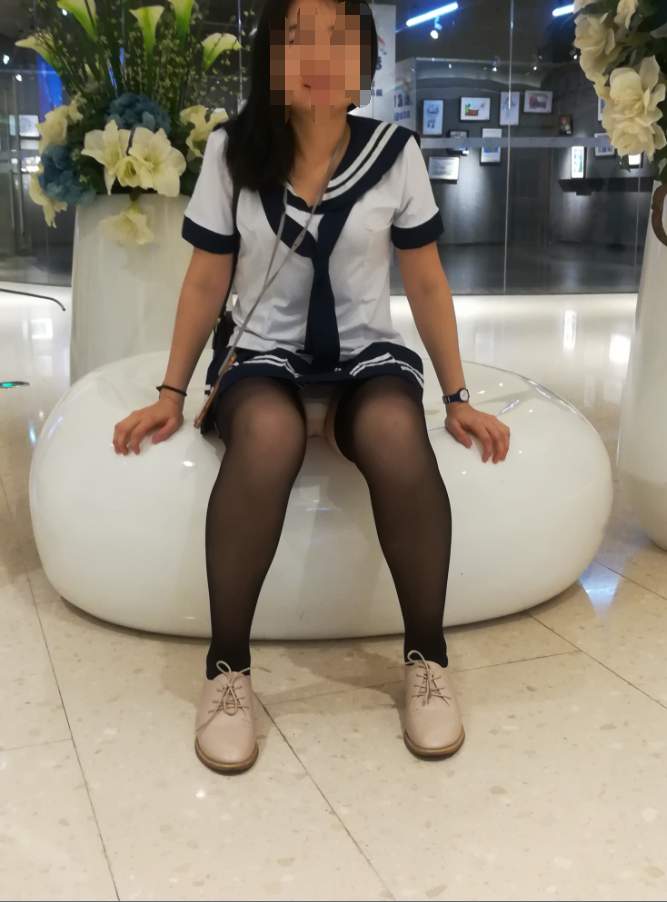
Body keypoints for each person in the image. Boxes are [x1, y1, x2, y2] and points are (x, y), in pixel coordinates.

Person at [112, 0, 510, 775]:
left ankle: (426, 659)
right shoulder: (231, 151)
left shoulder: (394, 153)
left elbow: (425, 283)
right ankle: (227, 670)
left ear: (364, 59)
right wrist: (170, 391)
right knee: (268, 434)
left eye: (339, 37)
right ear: (273, 59)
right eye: (299, 38)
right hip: (263, 356)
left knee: (395, 430)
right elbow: (205, 280)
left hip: (363, 355)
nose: (320, 55)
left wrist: (458, 398)